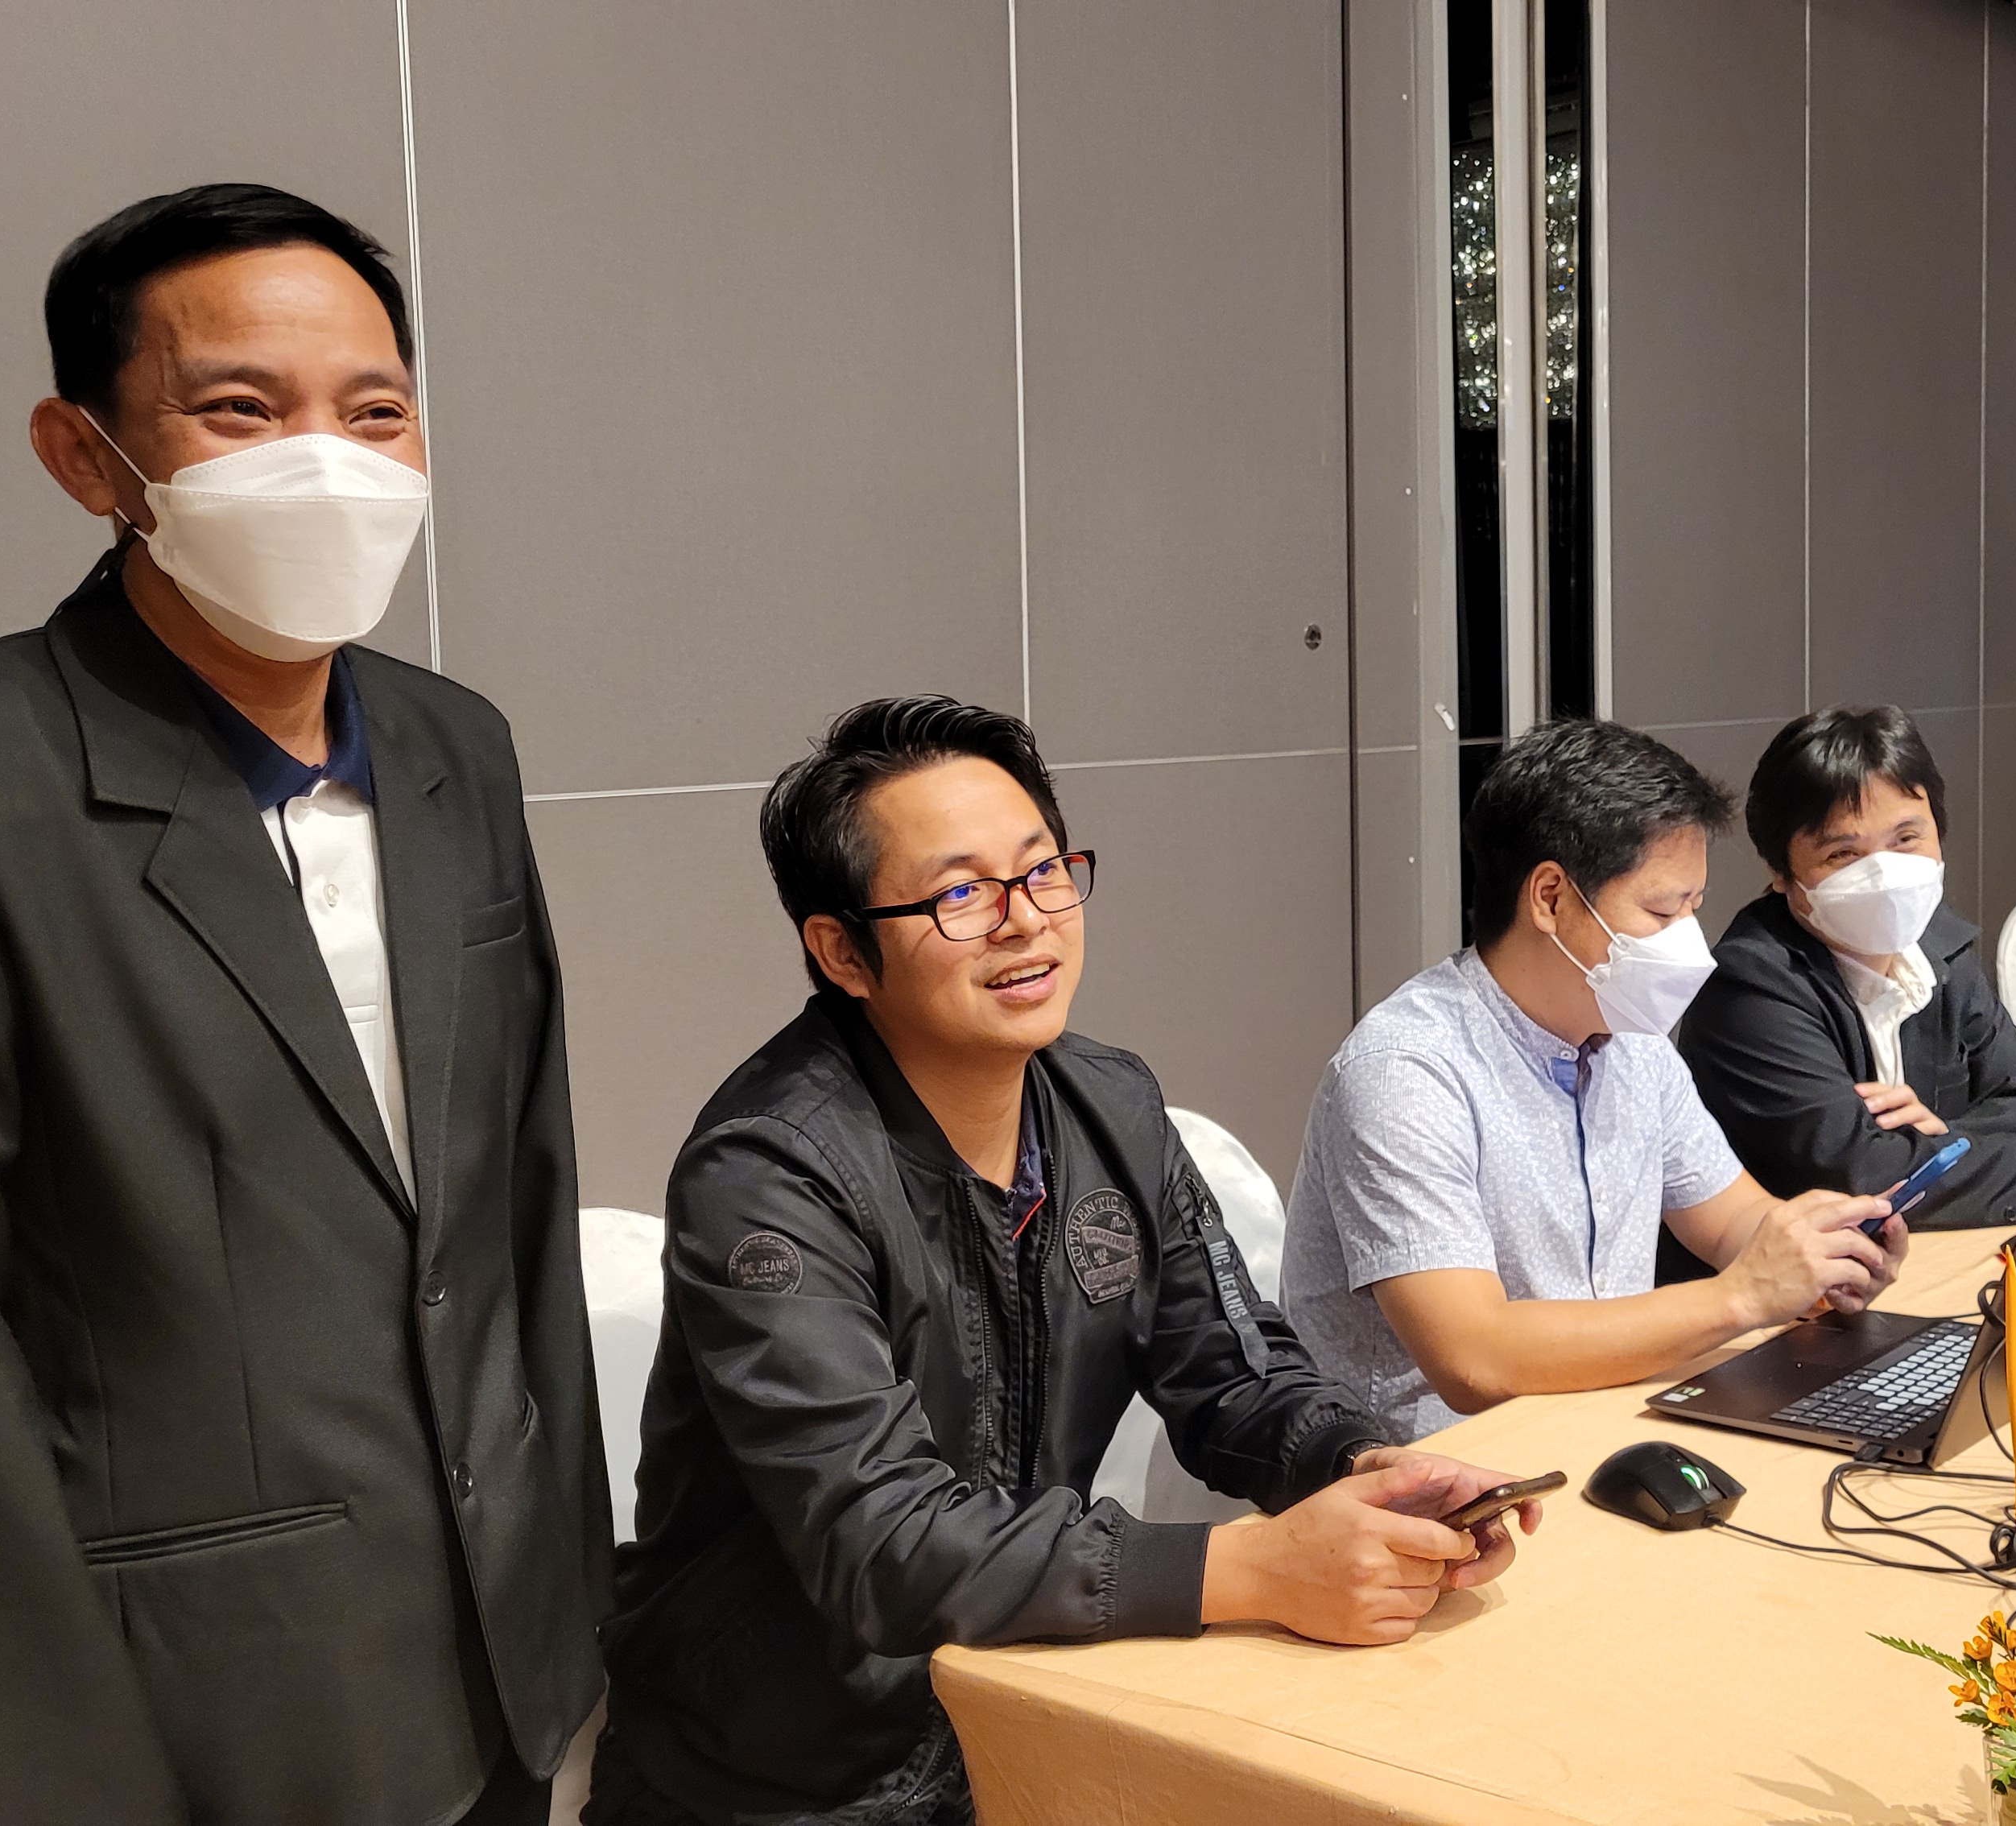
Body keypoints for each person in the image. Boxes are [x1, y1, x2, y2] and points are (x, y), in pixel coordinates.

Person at [0, 184, 603, 1824]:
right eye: (241, 409)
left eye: (376, 413)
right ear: (86, 457)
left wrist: (568, 1592)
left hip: (505, 1663)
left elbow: (521, 1198)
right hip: (202, 1698)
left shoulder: (456, 744)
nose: (327, 460)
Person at [592, 697, 1535, 1826]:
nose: (1025, 921)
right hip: (776, 1782)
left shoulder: (1109, 1106)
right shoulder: (769, 1174)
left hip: (1019, 1716)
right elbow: (881, 1539)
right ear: (842, 951)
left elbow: (1235, 1375)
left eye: (1043, 872)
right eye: (959, 895)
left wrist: (1363, 1467)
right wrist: (1253, 1570)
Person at [1277, 718, 1901, 1445]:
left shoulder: (1633, 1041)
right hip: (1439, 1470)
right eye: (1663, 910)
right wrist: (1742, 1298)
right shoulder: (1406, 1072)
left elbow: (1732, 1223)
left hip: (1605, 1425)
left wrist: (1826, 1253)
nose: (1687, 941)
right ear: (1550, 898)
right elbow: (1473, 1358)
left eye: (1694, 908)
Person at [1675, 707, 2016, 1249]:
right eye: (1843, 853)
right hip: (1794, 1288)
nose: (1884, 874)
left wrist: (1942, 1136)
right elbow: (1861, 1177)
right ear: (1780, 871)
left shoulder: (1938, 944)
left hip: (1929, 1260)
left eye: (1906, 839)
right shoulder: (1750, 987)